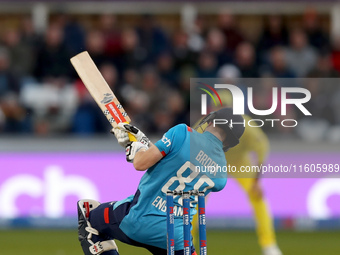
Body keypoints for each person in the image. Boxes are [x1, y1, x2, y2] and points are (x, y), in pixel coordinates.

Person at [77, 108, 245, 255]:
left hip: (139, 222)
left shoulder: (183, 133)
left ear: (211, 120)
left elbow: (140, 163)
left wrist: (135, 148)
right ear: (231, 141)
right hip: (176, 239)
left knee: (89, 216)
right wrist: (143, 145)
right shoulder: (221, 173)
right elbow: (180, 163)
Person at [192, 91, 283, 255]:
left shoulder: (246, 125)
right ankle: (187, 244)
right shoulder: (204, 125)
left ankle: (269, 245)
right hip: (211, 164)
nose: (222, 110)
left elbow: (262, 148)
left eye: (225, 106)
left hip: (239, 163)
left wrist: (256, 182)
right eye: (219, 107)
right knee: (194, 200)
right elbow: (191, 149)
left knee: (258, 197)